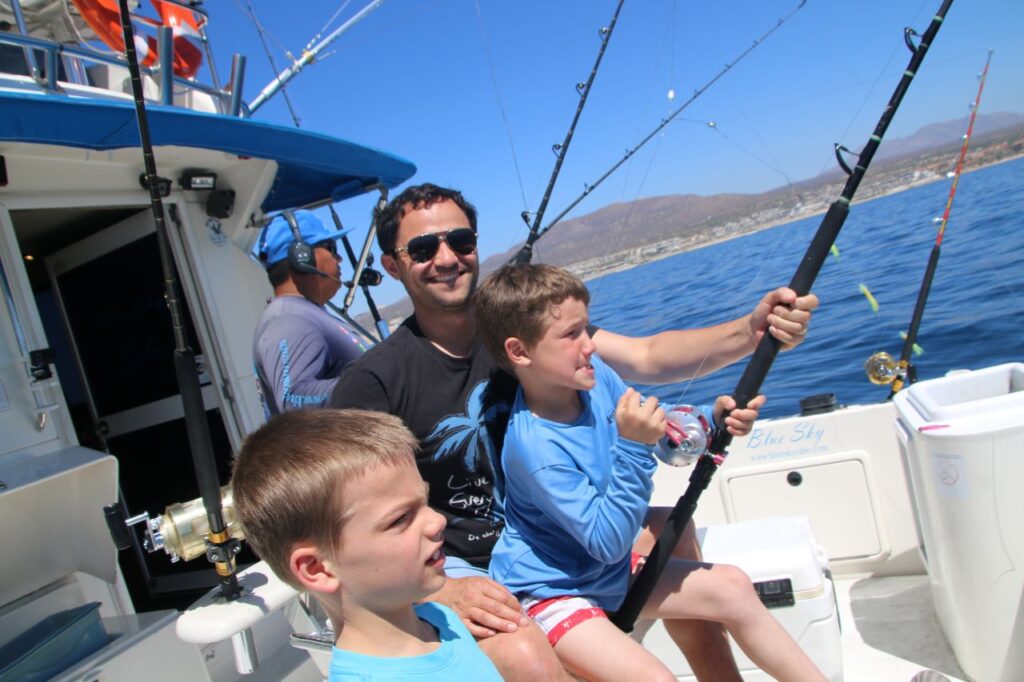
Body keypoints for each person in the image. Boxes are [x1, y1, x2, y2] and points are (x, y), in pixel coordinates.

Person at [330, 183, 820, 680]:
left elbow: (646, 356)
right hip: (467, 564)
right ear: (392, 266)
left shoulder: (527, 324)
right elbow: (342, 515)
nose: (446, 257)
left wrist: (753, 332)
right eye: (422, 248)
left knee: (676, 528)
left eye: (460, 240)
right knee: (526, 652)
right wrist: (435, 588)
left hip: (561, 535)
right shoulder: (374, 382)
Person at [475, 263, 826, 682]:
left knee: (733, 586)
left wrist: (707, 424)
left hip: (601, 573)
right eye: (571, 335)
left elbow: (658, 432)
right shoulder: (534, 449)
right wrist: (633, 445)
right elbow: (608, 541)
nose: (589, 345)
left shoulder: (595, 376)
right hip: (552, 594)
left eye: (587, 329)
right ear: (520, 352)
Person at [231, 408, 503, 681]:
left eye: (425, 501)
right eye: (400, 519)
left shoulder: (442, 619)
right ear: (317, 569)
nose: (436, 521)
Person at [251, 210, 368, 416]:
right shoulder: (288, 320)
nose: (339, 259)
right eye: (332, 248)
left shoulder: (305, 312)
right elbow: (294, 399)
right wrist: (379, 379)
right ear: (302, 257)